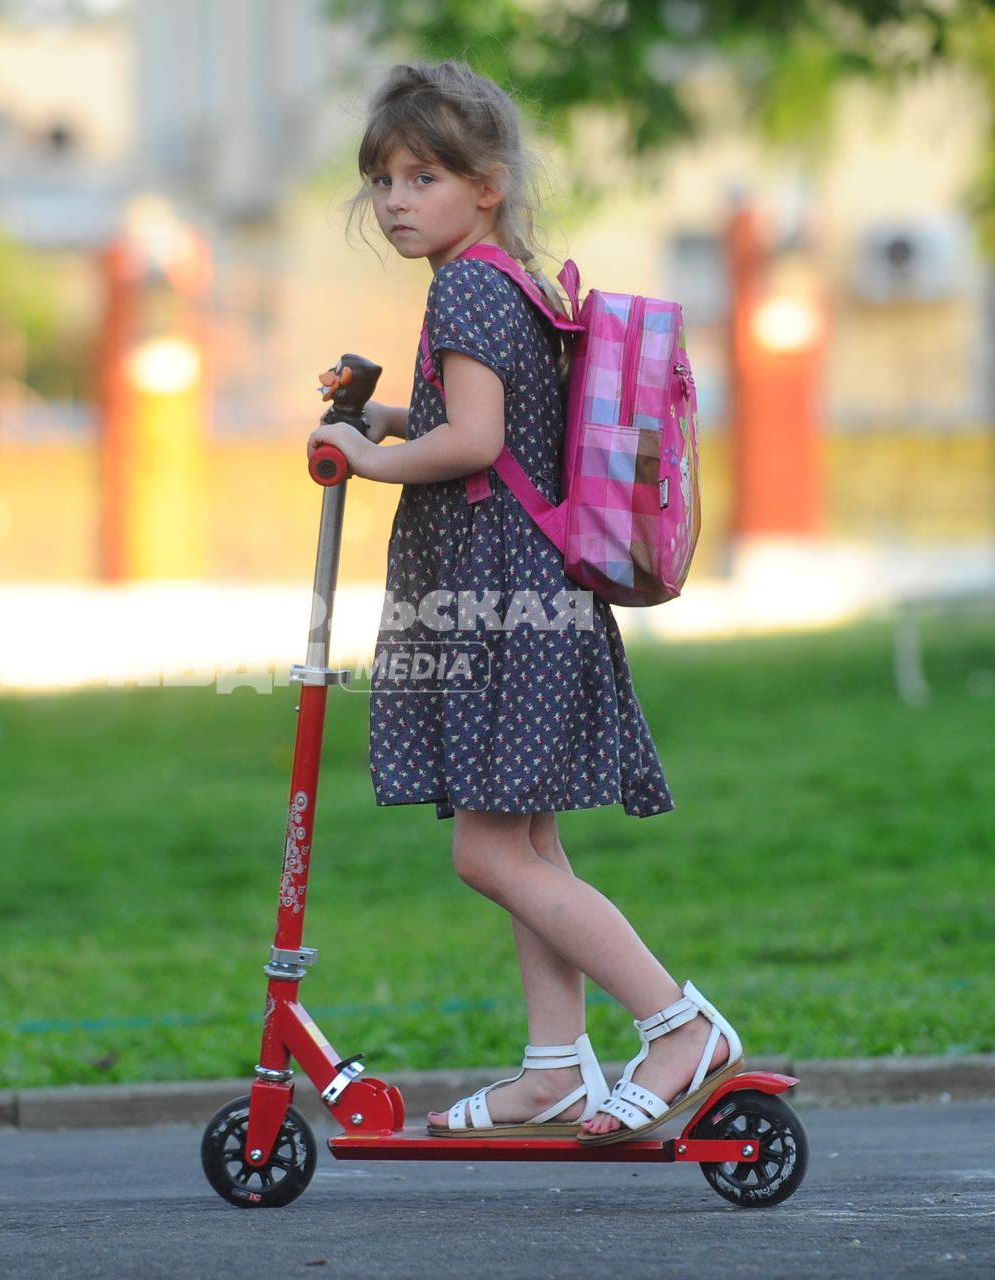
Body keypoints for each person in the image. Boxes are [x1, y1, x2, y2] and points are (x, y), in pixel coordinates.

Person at [304, 62, 743, 1146]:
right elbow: (483, 423)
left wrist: (366, 458)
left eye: (423, 176)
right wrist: (389, 415)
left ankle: (678, 1024)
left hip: (501, 602)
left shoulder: (462, 289)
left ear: (487, 183)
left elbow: (479, 442)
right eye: (383, 182)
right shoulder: (512, 279)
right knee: (530, 843)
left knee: (488, 851)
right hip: (532, 593)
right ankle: (555, 1065)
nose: (397, 200)